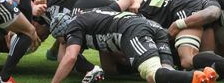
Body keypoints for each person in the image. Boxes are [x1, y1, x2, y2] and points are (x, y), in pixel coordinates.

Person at [50, 7, 214, 83]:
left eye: (61, 41)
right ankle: (204, 73)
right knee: (164, 74)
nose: (63, 44)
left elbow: (70, 57)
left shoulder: (73, 27)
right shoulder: (88, 16)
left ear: (62, 33)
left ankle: (194, 77)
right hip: (150, 26)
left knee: (151, 73)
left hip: (132, 30)